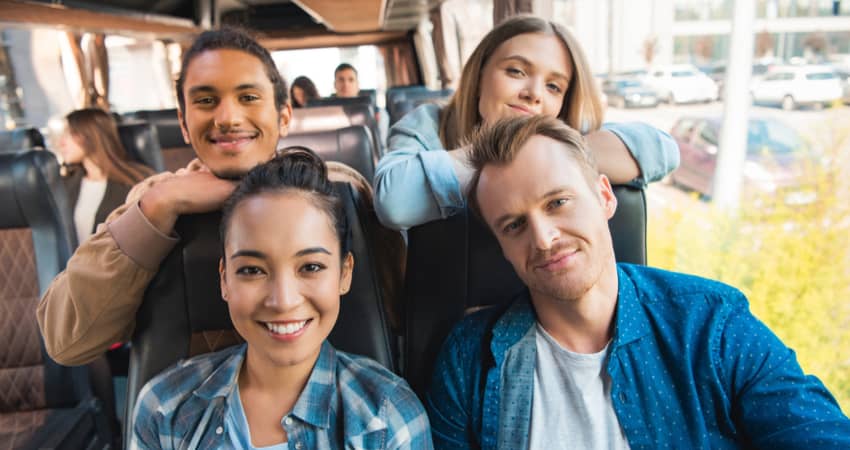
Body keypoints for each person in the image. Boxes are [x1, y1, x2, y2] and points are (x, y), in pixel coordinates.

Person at [426, 114, 850, 449]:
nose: (544, 238)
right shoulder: (468, 359)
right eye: (514, 225)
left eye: (558, 202)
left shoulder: (710, 326)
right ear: (501, 246)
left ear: (605, 197)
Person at [131, 150, 431, 449]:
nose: (283, 301)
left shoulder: (387, 420)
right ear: (224, 279)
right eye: (252, 270)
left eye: (311, 267)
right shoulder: (165, 407)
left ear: (344, 273)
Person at [37, 27, 293, 365]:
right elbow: (65, 340)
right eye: (205, 101)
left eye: (248, 97)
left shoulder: (335, 189)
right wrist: (159, 206)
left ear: (284, 116)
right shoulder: (151, 198)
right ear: (184, 124)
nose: (228, 118)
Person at [373, 15, 679, 231]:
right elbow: (393, 202)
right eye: (516, 71)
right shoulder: (428, 124)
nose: (534, 94)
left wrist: (548, 152)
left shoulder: (567, 128)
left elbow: (663, 151)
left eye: (553, 87)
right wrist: (501, 152)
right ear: (480, 76)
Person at [59, 108, 153, 244]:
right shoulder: (63, 185)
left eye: (70, 134)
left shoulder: (139, 181)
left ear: (90, 135)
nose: (61, 142)